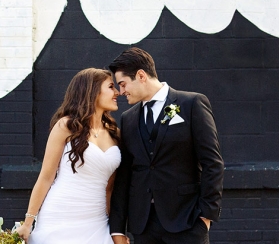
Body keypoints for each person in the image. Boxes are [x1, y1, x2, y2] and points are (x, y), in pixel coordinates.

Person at [108, 47, 223, 244]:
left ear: (141, 76)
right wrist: (118, 227)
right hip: (143, 226)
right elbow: (125, 175)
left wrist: (206, 216)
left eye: (123, 84)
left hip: (187, 222)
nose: (121, 91)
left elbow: (212, 163)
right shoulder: (128, 119)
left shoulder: (191, 104)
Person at [17, 68, 126, 244]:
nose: (117, 92)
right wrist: (28, 222)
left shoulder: (115, 134)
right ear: (92, 91)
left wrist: (115, 229)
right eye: (111, 87)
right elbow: (46, 177)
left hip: (97, 221)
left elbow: (109, 189)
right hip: (60, 216)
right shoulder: (66, 126)